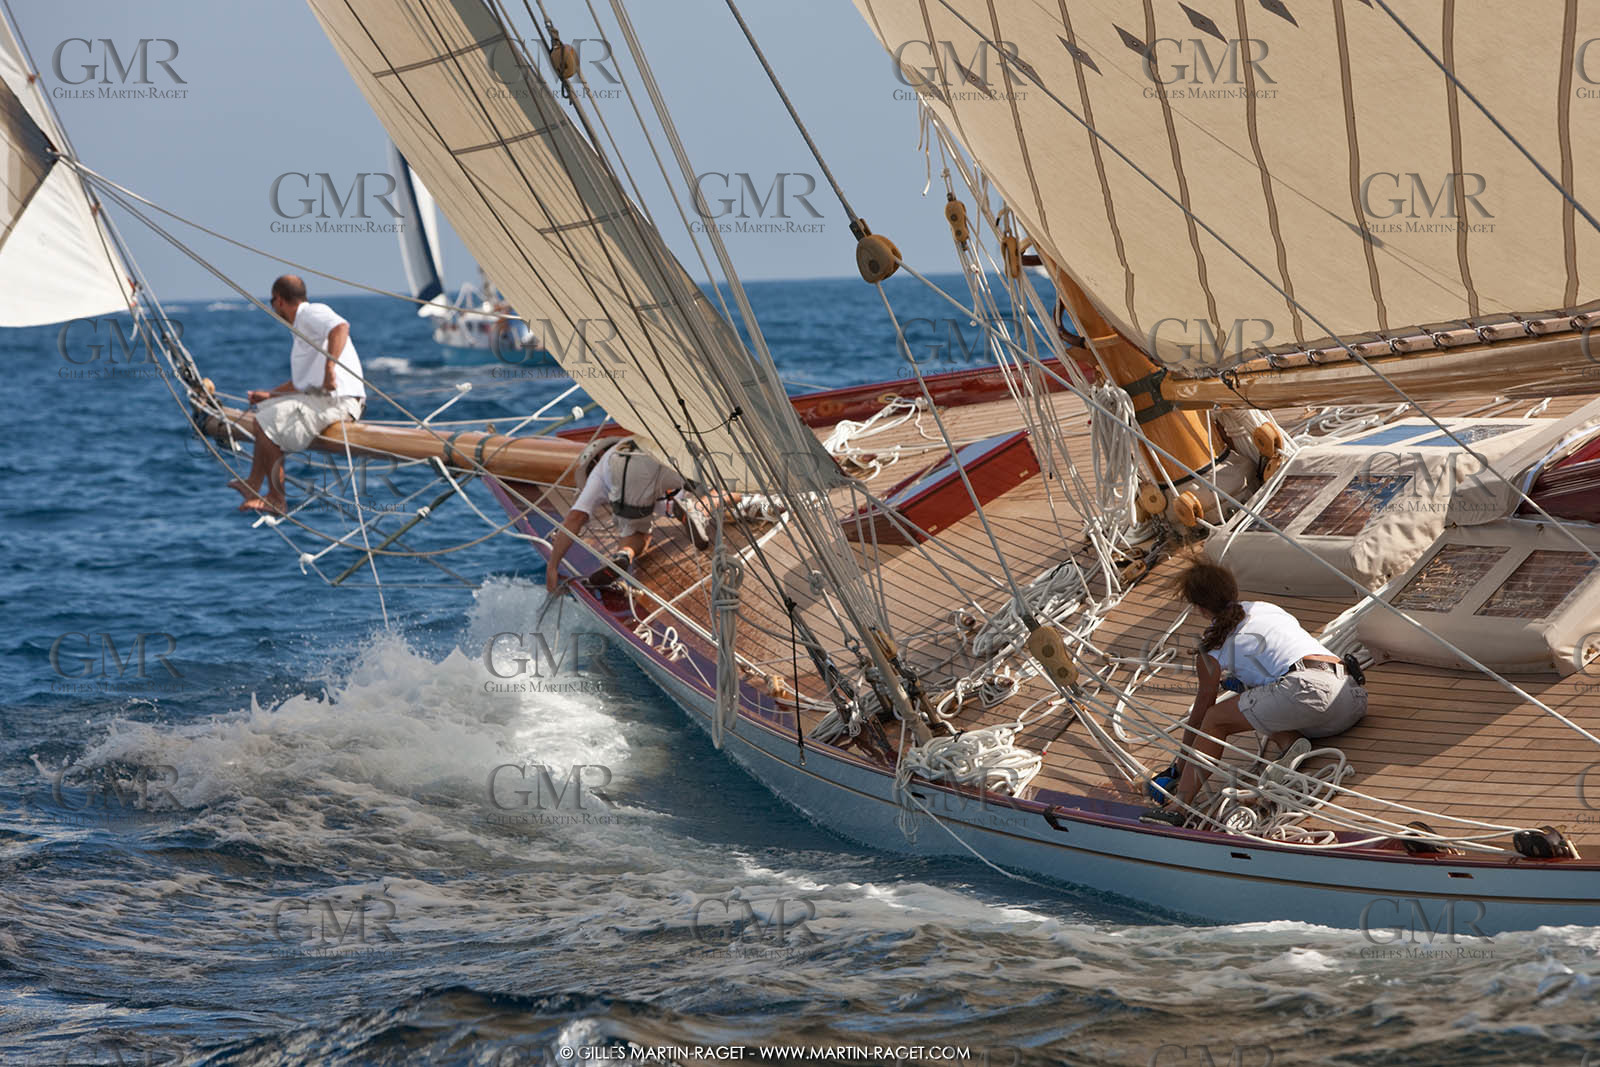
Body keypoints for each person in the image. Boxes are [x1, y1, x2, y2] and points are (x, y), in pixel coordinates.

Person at [1148, 553, 1368, 819]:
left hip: (1309, 695)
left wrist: (1179, 767)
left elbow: (1201, 717)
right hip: (1351, 698)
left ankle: (1178, 807)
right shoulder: (1266, 608)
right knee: (1252, 687)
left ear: (1202, 609)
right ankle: (1292, 742)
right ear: (1233, 589)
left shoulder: (1211, 650)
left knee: (1215, 718)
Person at [229, 275, 367, 515]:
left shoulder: (310, 313)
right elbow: (303, 383)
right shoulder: (303, 327)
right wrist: (270, 395)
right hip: (323, 399)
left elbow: (340, 327)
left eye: (272, 301)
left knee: (266, 421)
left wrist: (330, 369)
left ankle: (276, 499)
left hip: (341, 401)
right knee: (263, 412)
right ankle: (253, 483)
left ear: (280, 301)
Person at [544, 436, 713, 593]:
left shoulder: (599, 471)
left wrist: (552, 565)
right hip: (660, 450)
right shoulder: (629, 439)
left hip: (629, 472)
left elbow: (575, 518)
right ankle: (700, 508)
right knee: (723, 483)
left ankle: (624, 554)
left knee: (639, 533)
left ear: (598, 456)